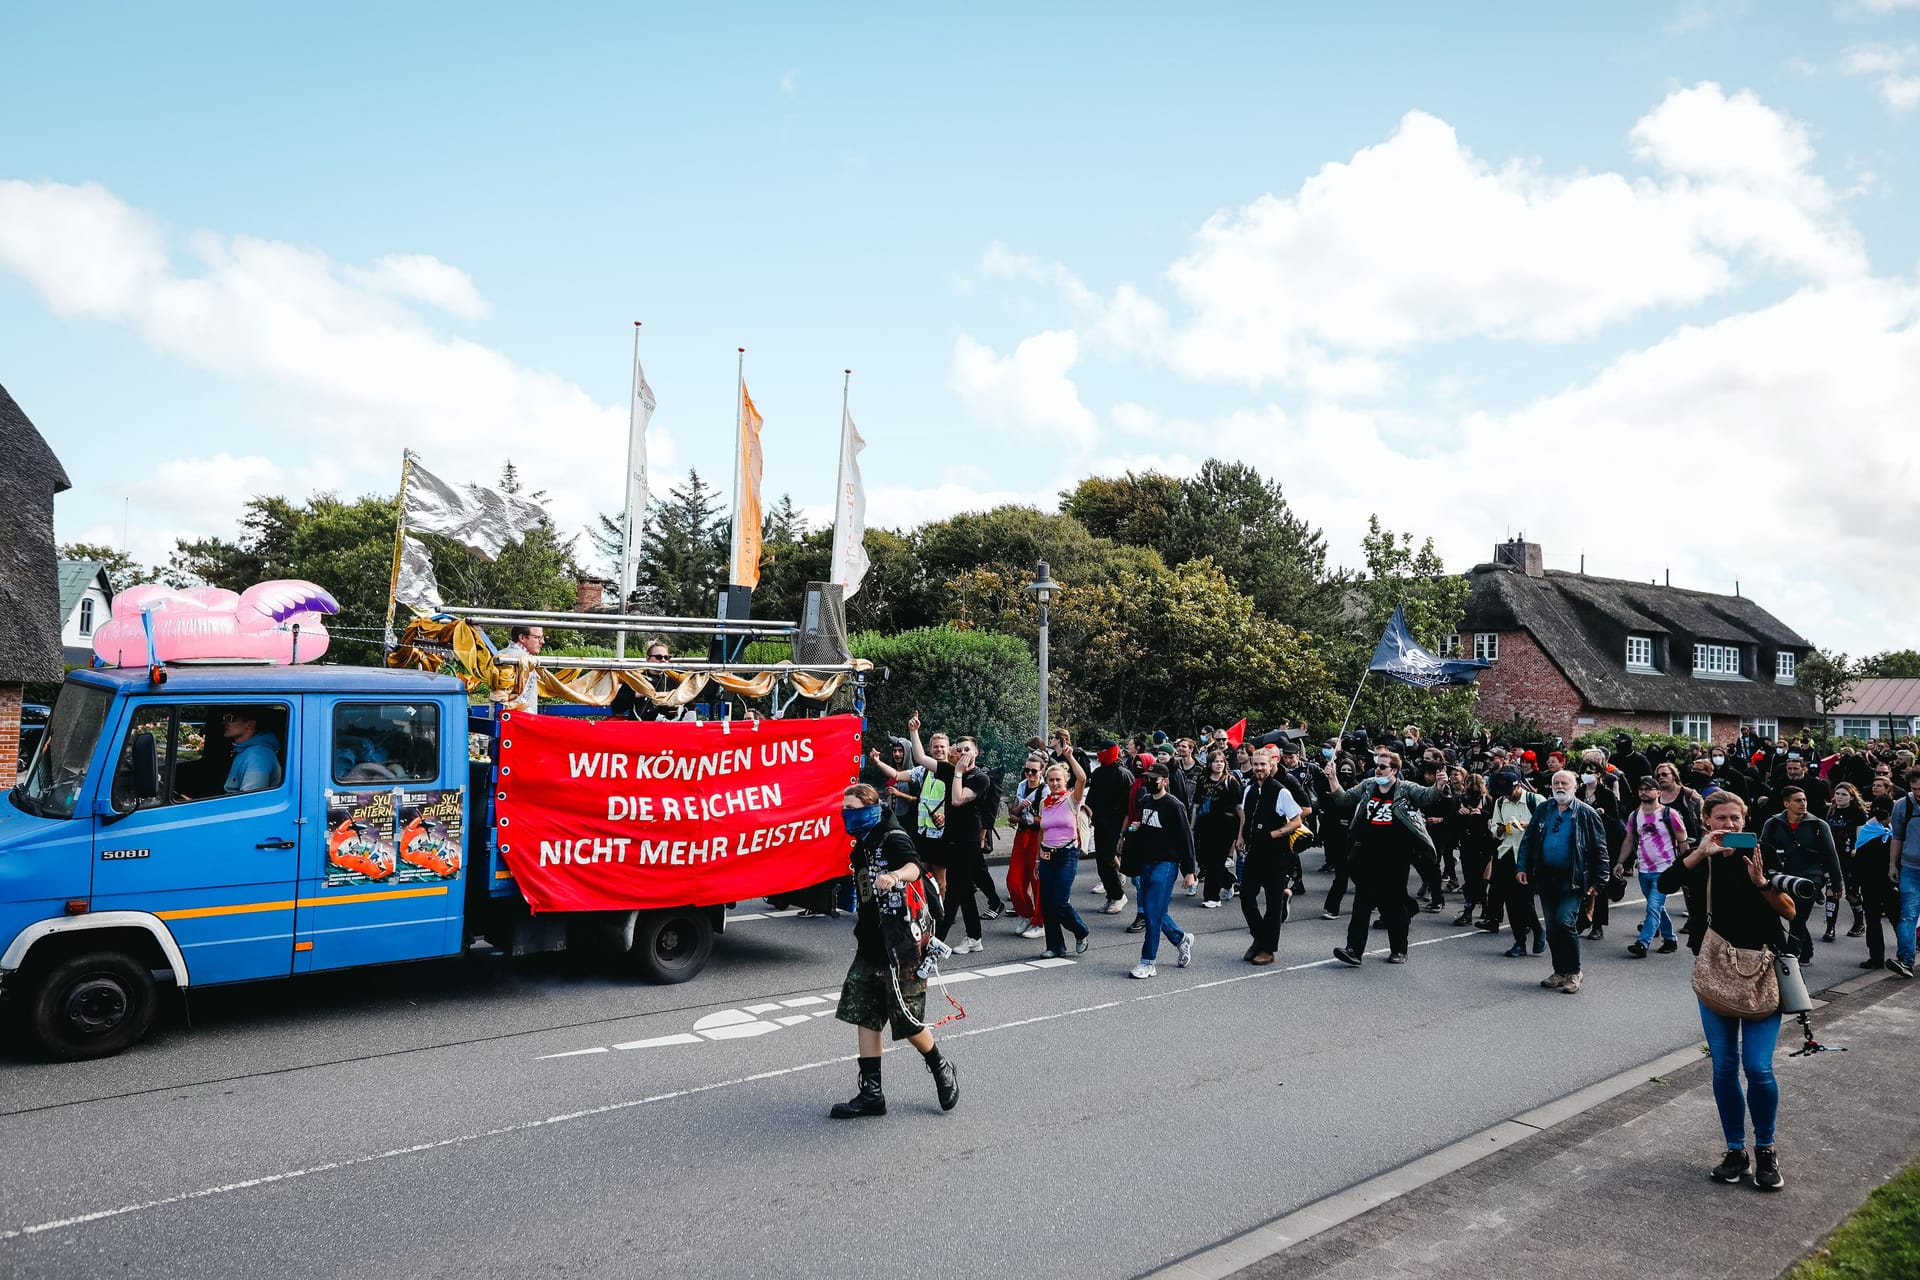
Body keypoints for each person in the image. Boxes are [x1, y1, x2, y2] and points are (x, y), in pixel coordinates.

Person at [1658, 791, 1795, 1190]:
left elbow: (1789, 910)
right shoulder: (1701, 857)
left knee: (1758, 1067)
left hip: (1761, 970)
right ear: (1706, 821)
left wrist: (1763, 882)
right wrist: (1700, 854)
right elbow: (1664, 883)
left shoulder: (1762, 850)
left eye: (1736, 819)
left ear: (1745, 818)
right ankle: (1735, 1150)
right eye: (1721, 819)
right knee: (1723, 1066)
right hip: (1715, 972)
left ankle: (1765, 1151)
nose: (1730, 827)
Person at [829, 783, 959, 1119]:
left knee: (908, 1020)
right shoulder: (863, 842)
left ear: (870, 808)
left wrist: (894, 876)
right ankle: (871, 1093)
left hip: (901, 946)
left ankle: (941, 1066)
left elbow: (914, 866)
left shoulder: (891, 835)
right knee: (864, 1013)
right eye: (844, 809)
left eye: (852, 808)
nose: (847, 814)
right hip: (871, 942)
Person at [1324, 749, 1444, 968]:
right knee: (1362, 902)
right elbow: (1343, 799)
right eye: (1377, 765)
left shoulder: (1406, 789)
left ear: (1395, 770)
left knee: (1393, 903)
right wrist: (1332, 778)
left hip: (1396, 854)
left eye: (1383, 766)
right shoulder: (1369, 785)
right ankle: (1354, 950)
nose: (1377, 769)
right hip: (1368, 852)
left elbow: (1427, 796)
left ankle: (1399, 948)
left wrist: (1438, 785)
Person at [1516, 770, 1609, 994]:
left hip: (1573, 879)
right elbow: (1528, 841)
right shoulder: (1544, 809)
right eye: (1556, 783)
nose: (1560, 786)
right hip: (1546, 877)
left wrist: (1600, 880)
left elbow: (1600, 849)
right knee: (1553, 927)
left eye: (1564, 783)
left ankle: (1574, 971)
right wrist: (1522, 867)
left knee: (1565, 921)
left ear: (1575, 786)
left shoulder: (1586, 814)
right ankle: (1559, 971)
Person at [1123, 763, 1197, 977]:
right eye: (1147, 777)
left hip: (1166, 863)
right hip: (1146, 862)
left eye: (1154, 778)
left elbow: (1186, 839)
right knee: (1153, 910)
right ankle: (1181, 938)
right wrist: (1134, 830)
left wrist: (1189, 871)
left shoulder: (1174, 805)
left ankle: (1148, 962)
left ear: (1165, 781)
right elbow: (1142, 826)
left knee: (1152, 913)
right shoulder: (1145, 801)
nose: (1149, 781)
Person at [1759, 786, 1844, 965]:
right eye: (1798, 800)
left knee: (1798, 916)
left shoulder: (1818, 825)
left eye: (1804, 800)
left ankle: (1791, 956)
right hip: (1783, 877)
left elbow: (1831, 855)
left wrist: (1836, 884)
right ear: (1786, 803)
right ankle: (1807, 950)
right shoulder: (1773, 824)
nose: (1803, 804)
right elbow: (1764, 850)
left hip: (1810, 878)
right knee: (1792, 915)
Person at [1239, 748, 1304, 965]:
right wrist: (1240, 837)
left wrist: (1274, 834)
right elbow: (1245, 815)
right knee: (1247, 898)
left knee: (1273, 904)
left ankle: (1268, 949)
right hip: (1253, 853)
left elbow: (1297, 820)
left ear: (1271, 764)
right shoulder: (1249, 789)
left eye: (1262, 765)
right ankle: (1260, 938)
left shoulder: (1281, 792)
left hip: (1276, 855)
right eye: (1255, 764)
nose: (1258, 768)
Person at [934, 736, 994, 955]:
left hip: (968, 841)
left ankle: (936, 942)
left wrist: (958, 771)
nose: (963, 754)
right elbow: (921, 758)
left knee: (954, 892)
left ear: (976, 752)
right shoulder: (954, 772)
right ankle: (974, 938)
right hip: (952, 838)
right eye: (959, 750)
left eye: (967, 750)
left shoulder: (980, 778)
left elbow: (957, 799)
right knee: (966, 891)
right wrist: (914, 731)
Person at [1617, 775, 1687, 958]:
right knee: (1656, 906)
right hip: (1644, 869)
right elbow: (1629, 840)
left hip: (1665, 868)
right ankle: (1670, 939)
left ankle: (1642, 943)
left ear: (1658, 792)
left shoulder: (1669, 814)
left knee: (1653, 907)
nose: (1644, 792)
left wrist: (1685, 866)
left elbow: (1682, 840)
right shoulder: (1635, 815)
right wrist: (1620, 862)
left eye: (1648, 789)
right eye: (1641, 789)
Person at [1034, 756, 1093, 960]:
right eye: (1050, 780)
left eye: (1058, 779)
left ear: (1065, 780)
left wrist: (1068, 756)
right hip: (1047, 854)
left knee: (1060, 901)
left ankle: (1080, 931)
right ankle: (1055, 946)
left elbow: (1083, 779)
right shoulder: (1044, 803)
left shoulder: (1071, 799)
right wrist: (1037, 859)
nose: (1055, 783)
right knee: (1047, 903)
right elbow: (1041, 831)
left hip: (1067, 854)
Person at [1485, 770, 1545, 958]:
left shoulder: (1535, 800)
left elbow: (1548, 823)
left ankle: (1538, 930)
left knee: (1525, 900)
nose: (1507, 795)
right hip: (1507, 852)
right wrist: (1501, 829)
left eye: (1510, 791)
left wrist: (1528, 825)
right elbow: (1495, 826)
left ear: (1519, 785)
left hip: (1528, 855)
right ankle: (1519, 941)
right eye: (1503, 792)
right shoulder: (1501, 802)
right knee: (1510, 901)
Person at [1004, 755, 1049, 940]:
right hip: (1022, 835)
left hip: (1037, 837)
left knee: (1037, 880)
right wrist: (1020, 809)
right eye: (1027, 770)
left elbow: (1043, 821)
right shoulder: (1022, 786)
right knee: (1013, 880)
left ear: (1042, 771)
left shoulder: (1045, 790)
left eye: (1034, 771)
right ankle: (1026, 913)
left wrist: (1021, 817)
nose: (1029, 774)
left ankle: (1039, 921)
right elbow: (1012, 812)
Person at [1192, 749, 1244, 907]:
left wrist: (1241, 834)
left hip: (1225, 827)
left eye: (1221, 761)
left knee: (1216, 861)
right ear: (1209, 764)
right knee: (1205, 860)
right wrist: (1191, 827)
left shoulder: (1231, 781)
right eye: (1216, 761)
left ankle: (1212, 897)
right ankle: (1229, 881)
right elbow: (1196, 805)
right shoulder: (1202, 780)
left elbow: (1239, 809)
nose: (1219, 764)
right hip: (1205, 826)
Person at [1087, 743, 1134, 916]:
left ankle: (1118, 895)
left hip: (1116, 825)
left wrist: (1124, 832)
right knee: (1101, 863)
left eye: (1102, 751)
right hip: (1100, 824)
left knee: (1107, 861)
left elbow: (1129, 806)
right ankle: (1112, 895)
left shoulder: (1123, 774)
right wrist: (1089, 817)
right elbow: (1091, 798)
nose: (1099, 753)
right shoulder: (1099, 773)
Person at [1827, 783, 1870, 940]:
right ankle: (1830, 927)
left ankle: (1859, 923)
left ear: (1851, 797)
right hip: (1833, 857)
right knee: (1832, 892)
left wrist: (1856, 849)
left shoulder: (1857, 813)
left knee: (1851, 893)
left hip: (1850, 858)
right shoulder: (1831, 810)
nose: (1839, 797)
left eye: (1844, 794)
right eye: (1837, 793)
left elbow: (1861, 836)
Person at [1890, 768, 1920, 980]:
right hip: (1910, 868)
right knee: (1908, 915)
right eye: (1914, 788)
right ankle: (1906, 960)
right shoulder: (1902, 806)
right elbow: (1897, 837)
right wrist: (1892, 864)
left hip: (1911, 867)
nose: (1918, 792)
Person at [222, 710, 283, 793]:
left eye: (230, 718)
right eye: (224, 717)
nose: (224, 722)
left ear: (250, 725)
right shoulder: (244, 750)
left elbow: (250, 801)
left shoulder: (258, 756)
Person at [495, 625, 545, 713]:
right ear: (522, 637)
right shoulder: (524, 662)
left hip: (502, 718)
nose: (542, 642)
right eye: (537, 637)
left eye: (542, 637)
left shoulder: (501, 654)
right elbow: (519, 698)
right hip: (518, 720)